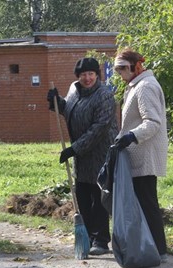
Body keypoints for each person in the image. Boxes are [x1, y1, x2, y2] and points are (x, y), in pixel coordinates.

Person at [47, 57, 119, 255]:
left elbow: (99, 129)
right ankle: (86, 236)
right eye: (83, 74)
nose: (87, 78)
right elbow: (71, 110)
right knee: (83, 197)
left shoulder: (104, 95)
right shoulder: (74, 90)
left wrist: (73, 149)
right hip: (82, 155)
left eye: (91, 74)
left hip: (101, 153)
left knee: (99, 198)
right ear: (77, 76)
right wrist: (57, 102)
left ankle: (101, 241)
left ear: (97, 75)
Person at [113, 48, 169, 262]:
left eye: (124, 69)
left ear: (137, 66)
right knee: (143, 202)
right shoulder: (136, 85)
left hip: (145, 154)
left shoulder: (145, 86)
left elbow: (153, 122)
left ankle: (159, 250)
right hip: (137, 152)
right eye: (118, 70)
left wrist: (131, 136)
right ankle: (152, 247)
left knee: (147, 202)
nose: (121, 74)